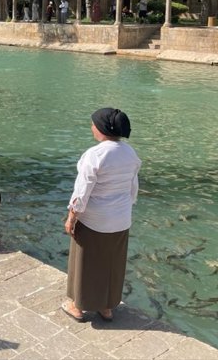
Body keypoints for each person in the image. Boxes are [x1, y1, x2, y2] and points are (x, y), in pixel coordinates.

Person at [62, 108, 140, 323]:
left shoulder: (95, 154)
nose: (91, 127)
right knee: (112, 263)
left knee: (84, 262)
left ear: (101, 129)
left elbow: (82, 191)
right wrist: (125, 207)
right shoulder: (130, 153)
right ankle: (106, 307)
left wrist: (71, 217)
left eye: (93, 124)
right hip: (121, 217)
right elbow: (133, 187)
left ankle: (77, 306)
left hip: (94, 218)